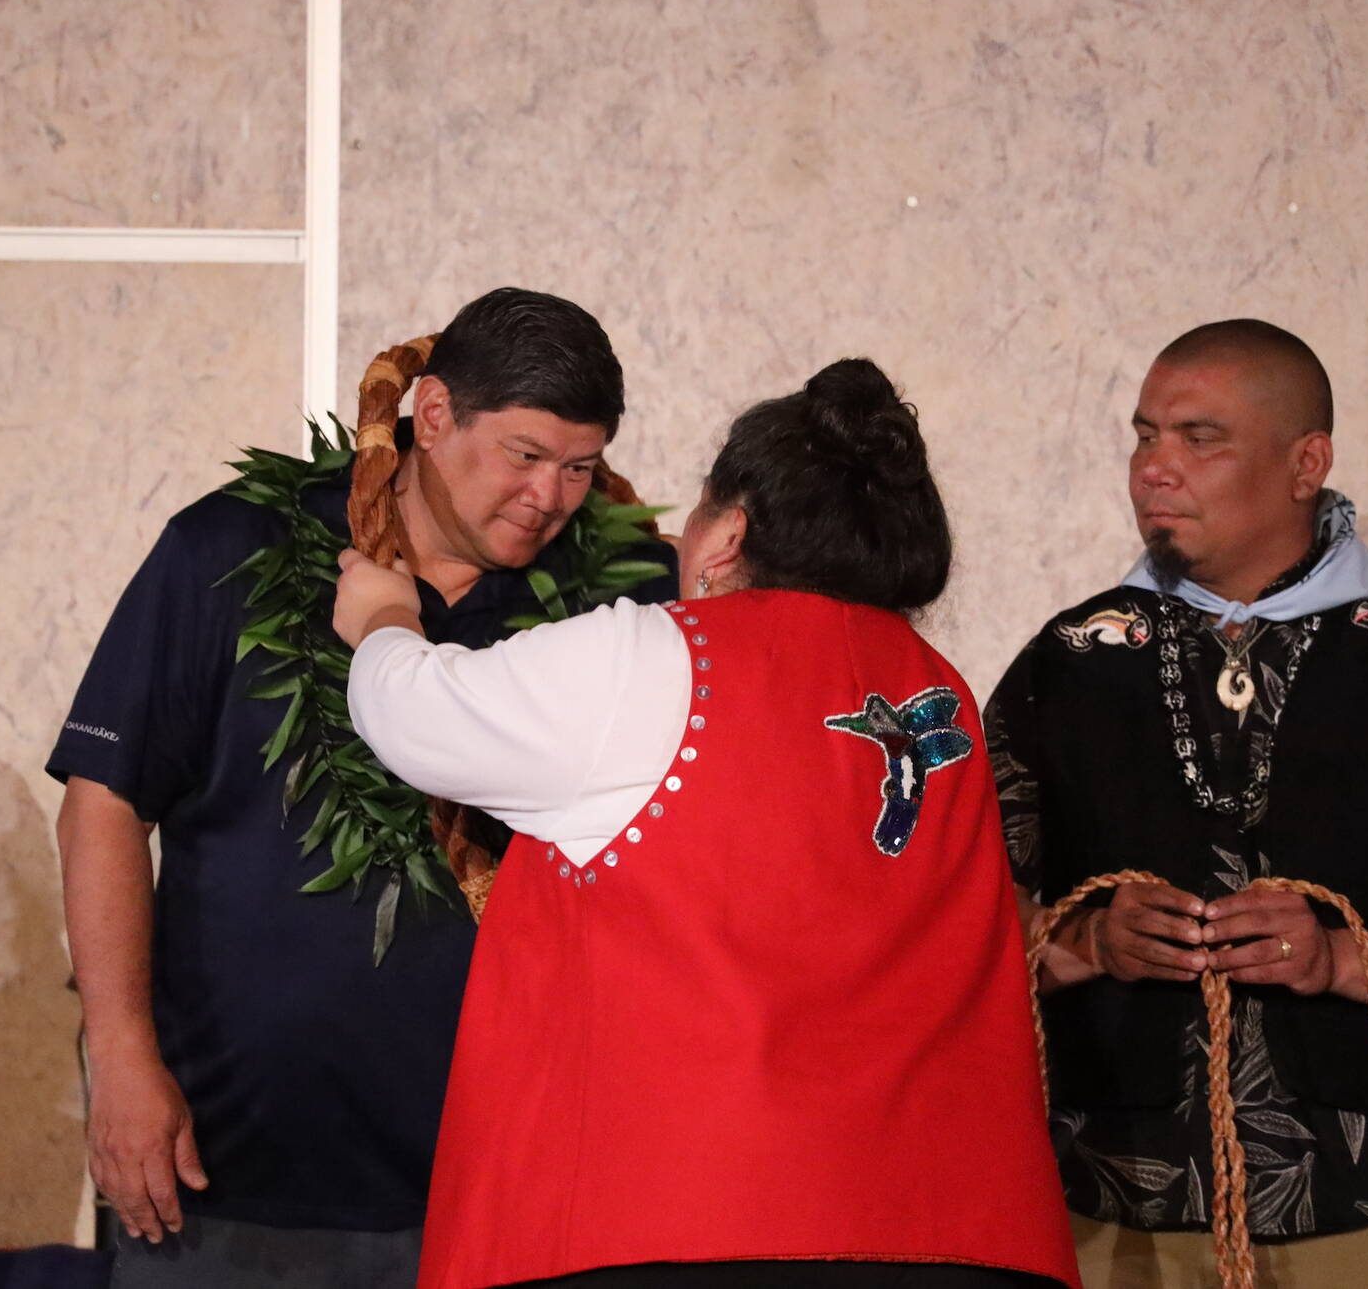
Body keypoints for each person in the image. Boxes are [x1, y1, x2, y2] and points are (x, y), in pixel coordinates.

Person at [334, 360, 1079, 1289]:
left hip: (674, 1224)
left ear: (727, 532)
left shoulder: (654, 656)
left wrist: (385, 621)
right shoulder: (945, 697)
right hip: (954, 1231)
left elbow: (419, 716)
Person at [49, 288, 679, 1289]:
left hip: (507, 1174)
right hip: (225, 1162)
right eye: (522, 455)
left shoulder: (627, 595)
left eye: (577, 467)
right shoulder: (232, 548)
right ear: (430, 416)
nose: (549, 497)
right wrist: (121, 1058)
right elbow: (104, 801)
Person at [987, 319, 1368, 1288]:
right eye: (1143, 436)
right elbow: (957, 937)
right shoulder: (1066, 663)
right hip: (1101, 1206)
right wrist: (1081, 942)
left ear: (1306, 462)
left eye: (1197, 438)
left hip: (1361, 1212)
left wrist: (1338, 957)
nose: (1153, 469)